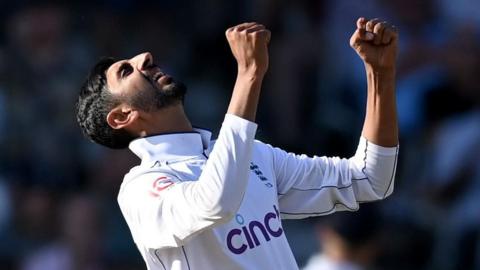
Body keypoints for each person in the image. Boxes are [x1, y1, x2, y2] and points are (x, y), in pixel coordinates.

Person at [76, 18, 399, 270]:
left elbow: (370, 180)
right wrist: (248, 74)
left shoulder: (252, 153)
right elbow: (216, 202)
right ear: (122, 117)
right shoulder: (141, 190)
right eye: (126, 71)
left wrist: (379, 75)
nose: (145, 57)